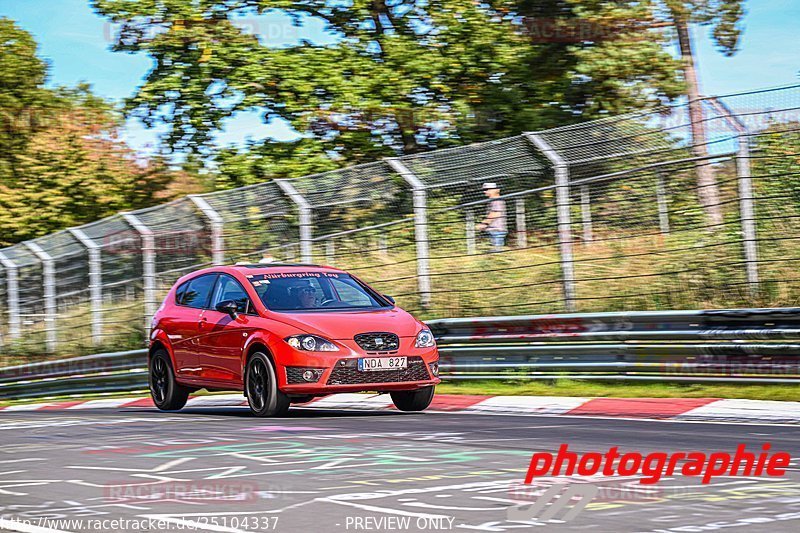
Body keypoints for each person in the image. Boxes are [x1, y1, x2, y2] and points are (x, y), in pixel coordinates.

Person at [476, 182, 507, 252]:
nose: (485, 191)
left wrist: (484, 224)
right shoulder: (492, 201)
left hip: (497, 231)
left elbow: (496, 213)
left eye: (487, 189)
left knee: (496, 253)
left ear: (496, 190)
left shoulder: (497, 200)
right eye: (484, 189)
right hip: (493, 230)